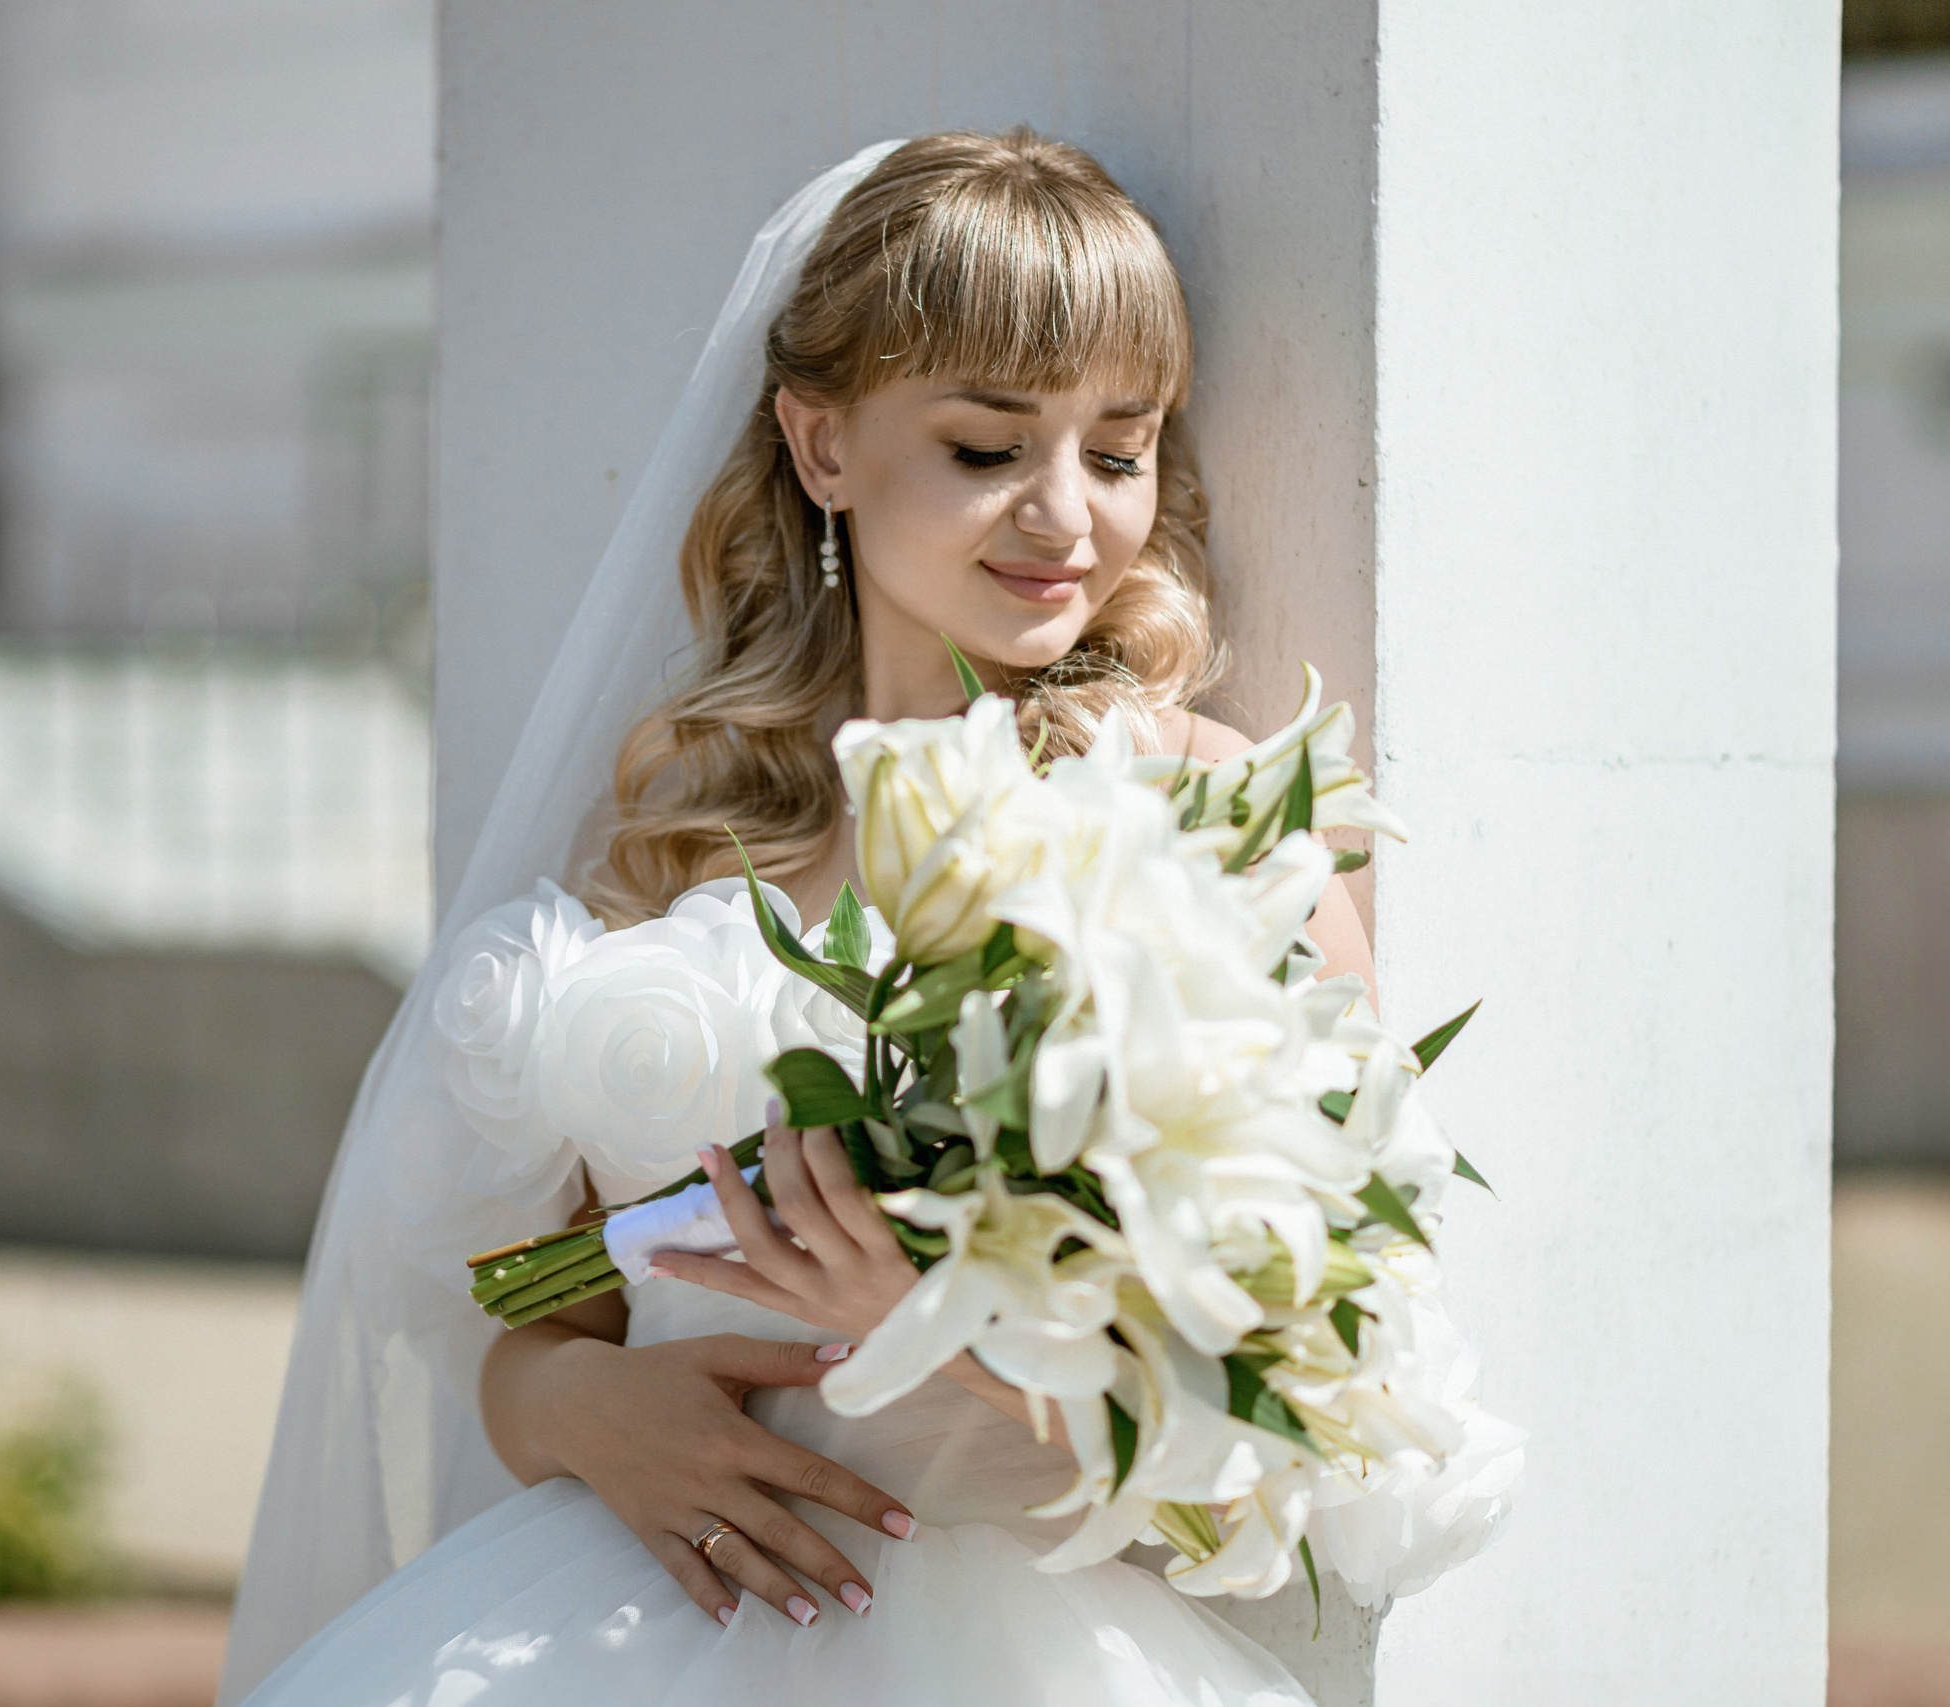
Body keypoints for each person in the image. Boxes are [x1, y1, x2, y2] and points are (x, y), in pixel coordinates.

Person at [221, 129, 1378, 1706]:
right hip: (620, 1629)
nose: (1067, 517)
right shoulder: (694, 836)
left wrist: (939, 1329)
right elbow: (555, 1294)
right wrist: (571, 1413)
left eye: (1119, 450)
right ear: (821, 447)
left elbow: (1307, 1400)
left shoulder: (1203, 817)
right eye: (988, 448)